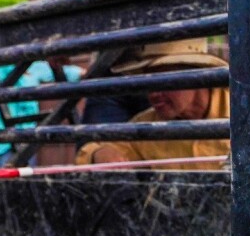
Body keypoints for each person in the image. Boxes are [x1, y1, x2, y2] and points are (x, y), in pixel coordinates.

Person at [76, 40, 229, 169]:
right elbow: (93, 152)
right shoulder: (148, 125)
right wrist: (100, 153)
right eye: (149, 83)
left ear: (196, 77)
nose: (153, 94)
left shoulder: (246, 112)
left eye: (163, 82)